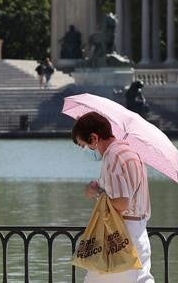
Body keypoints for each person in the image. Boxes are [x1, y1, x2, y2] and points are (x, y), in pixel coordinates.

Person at [71, 111, 154, 282]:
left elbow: (122, 202)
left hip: (121, 233)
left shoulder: (112, 157)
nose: (86, 150)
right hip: (138, 231)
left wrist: (97, 192)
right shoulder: (130, 152)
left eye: (83, 145)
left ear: (94, 138)